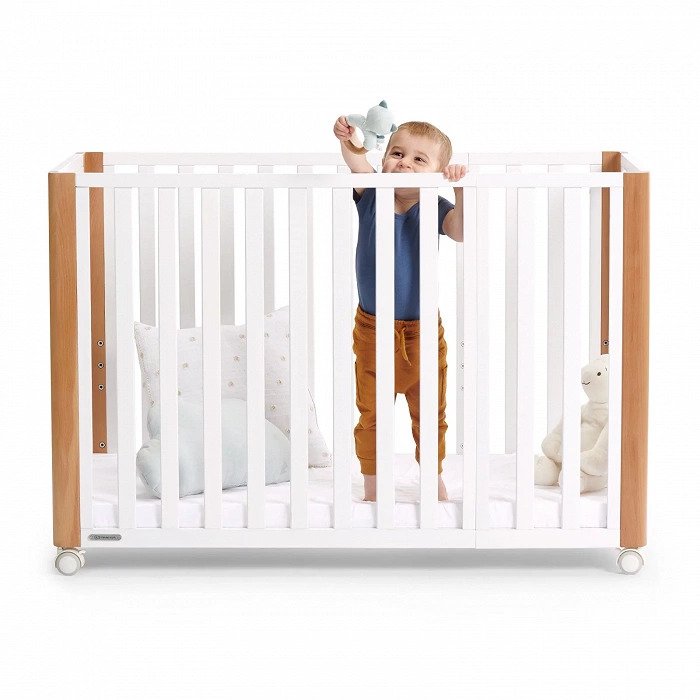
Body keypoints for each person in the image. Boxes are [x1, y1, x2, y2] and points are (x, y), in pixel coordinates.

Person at [333, 116, 467, 501]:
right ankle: (373, 483)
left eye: (419, 159)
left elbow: (461, 230)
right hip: (373, 331)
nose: (404, 162)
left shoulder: (434, 205)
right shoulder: (372, 193)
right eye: (397, 153)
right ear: (384, 158)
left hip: (422, 334)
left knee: (430, 414)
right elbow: (356, 162)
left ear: (437, 173)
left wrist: (461, 189)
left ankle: (432, 477)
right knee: (371, 413)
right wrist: (349, 141)